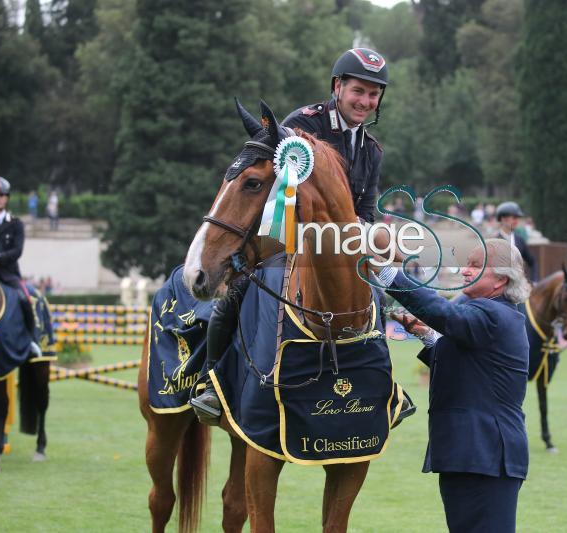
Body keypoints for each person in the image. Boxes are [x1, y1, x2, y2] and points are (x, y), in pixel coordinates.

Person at [190, 48, 393, 423]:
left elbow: (366, 210)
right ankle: (210, 380)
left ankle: (383, 390)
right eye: (358, 91)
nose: (365, 101)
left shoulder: (372, 150)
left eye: (373, 94)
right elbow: (276, 194)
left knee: (375, 293)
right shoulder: (303, 124)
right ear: (338, 87)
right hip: (285, 237)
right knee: (238, 289)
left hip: (340, 248)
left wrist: (366, 236)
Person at [379, 238, 530, 533]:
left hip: (484, 456)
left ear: (501, 278)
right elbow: (469, 370)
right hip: (473, 455)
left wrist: (388, 274)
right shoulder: (491, 315)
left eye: (476, 266)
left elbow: (444, 314)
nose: (465, 271)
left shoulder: (493, 314)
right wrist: (428, 338)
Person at [0, 177, 41, 356]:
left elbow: (17, 250)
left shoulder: (15, 223)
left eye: (1, 195)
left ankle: (31, 341)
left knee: (25, 299)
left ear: (7, 198)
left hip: (8, 274)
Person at [495, 201, 537, 281]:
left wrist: (535, 280)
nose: (516, 221)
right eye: (514, 218)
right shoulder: (494, 242)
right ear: (503, 219)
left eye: (517, 218)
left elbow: (532, 262)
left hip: (518, 287)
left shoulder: (520, 240)